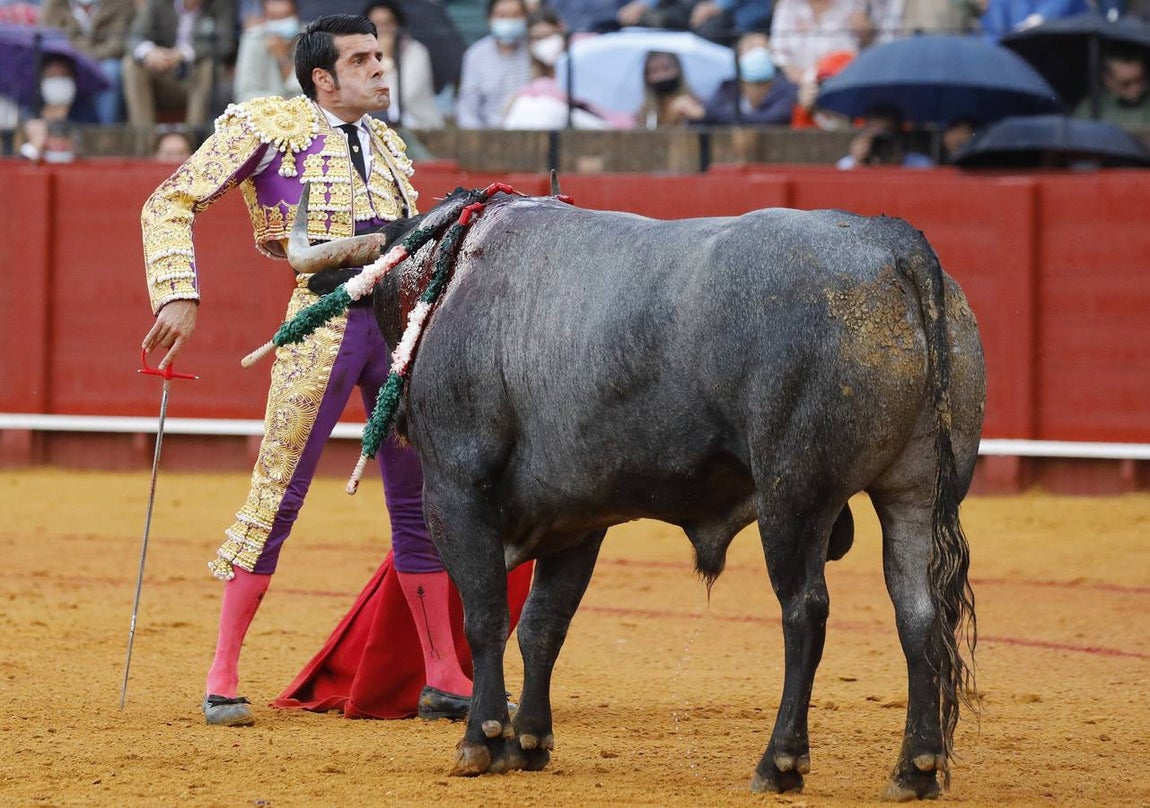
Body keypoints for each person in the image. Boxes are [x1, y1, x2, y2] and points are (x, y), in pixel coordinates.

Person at [138, 13, 487, 727]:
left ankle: (444, 673)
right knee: (279, 490)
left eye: (381, 56)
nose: (380, 69)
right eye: (362, 59)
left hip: (397, 327)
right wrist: (177, 290)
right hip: (321, 322)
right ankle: (222, 671)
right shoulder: (265, 124)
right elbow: (169, 199)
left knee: (420, 500)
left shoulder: (390, 144)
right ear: (323, 76)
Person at [502, 5, 634, 129]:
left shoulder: (584, 47)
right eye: (536, 39)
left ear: (561, 28)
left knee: (543, 109)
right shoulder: (540, 64)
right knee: (525, 105)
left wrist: (531, 90)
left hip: (611, 122)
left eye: (547, 35)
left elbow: (581, 92)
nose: (543, 43)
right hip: (574, 121)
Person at [121, 0, 238, 129]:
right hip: (162, 74)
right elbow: (134, 36)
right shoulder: (159, 3)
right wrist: (149, 53)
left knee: (206, 65)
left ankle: (193, 139)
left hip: (196, 78)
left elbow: (225, 44)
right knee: (132, 65)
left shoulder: (220, 4)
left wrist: (184, 54)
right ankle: (144, 139)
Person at [39, 0, 136, 124]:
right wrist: (77, 60)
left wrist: (87, 59)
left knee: (111, 70)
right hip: (69, 63)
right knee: (55, 72)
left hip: (104, 62)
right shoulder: (54, 5)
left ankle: (105, 132)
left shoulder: (121, 3)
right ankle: (51, 131)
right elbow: (50, 41)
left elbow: (119, 43)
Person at [364, 0, 444, 129]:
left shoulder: (416, 52)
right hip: (374, 128)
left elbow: (399, 100)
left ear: (398, 25)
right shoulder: (360, 56)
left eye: (387, 24)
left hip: (420, 129)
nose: (381, 31)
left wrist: (386, 59)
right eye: (375, 25)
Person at [692, 31, 798, 125]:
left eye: (764, 48)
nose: (758, 53)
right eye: (751, 48)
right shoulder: (727, 89)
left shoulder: (787, 90)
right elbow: (704, 116)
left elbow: (771, 119)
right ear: (738, 58)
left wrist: (710, 114)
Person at [455, 0, 533, 128]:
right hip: (488, 134)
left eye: (515, 16)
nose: (509, 21)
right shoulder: (476, 55)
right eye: (502, 16)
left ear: (525, 18)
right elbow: (468, 109)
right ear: (490, 19)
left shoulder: (533, 50)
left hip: (532, 133)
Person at [233, 0, 304, 102]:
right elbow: (245, 93)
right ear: (265, 18)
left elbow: (309, 93)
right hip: (263, 113)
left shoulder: (310, 37)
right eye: (274, 18)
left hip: (304, 113)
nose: (280, 24)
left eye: (285, 17)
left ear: (296, 15)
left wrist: (282, 58)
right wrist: (281, 104)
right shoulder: (253, 38)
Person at [1072, 48, 1150, 128]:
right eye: (1126, 84)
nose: (1136, 88)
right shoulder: (1089, 109)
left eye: (1140, 80)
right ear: (1108, 80)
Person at [836, 104, 933, 167]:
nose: (880, 140)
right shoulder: (847, 165)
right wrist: (858, 163)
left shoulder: (920, 164)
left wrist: (898, 164)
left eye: (885, 133)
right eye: (875, 134)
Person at [634, 50, 706, 128]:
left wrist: (696, 115)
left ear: (678, 70)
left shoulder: (694, 103)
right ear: (646, 77)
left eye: (666, 69)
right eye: (654, 71)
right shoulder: (644, 111)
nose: (661, 76)